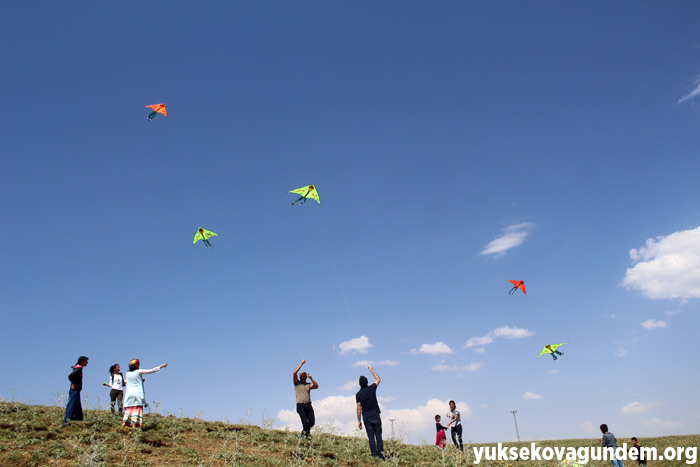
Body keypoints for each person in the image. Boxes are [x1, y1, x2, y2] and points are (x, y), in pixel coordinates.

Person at [122, 359, 168, 429]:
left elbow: (129, 381)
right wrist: (161, 366)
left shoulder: (127, 373)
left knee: (129, 408)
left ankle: (124, 422)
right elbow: (151, 370)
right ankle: (134, 424)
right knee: (137, 408)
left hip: (129, 393)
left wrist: (140, 380)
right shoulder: (139, 371)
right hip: (137, 393)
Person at [356, 366, 384, 459]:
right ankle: (381, 455)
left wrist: (359, 421)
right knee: (378, 436)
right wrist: (372, 370)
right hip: (375, 414)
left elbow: (359, 408)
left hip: (366, 417)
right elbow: (378, 379)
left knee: (371, 437)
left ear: (359, 384)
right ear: (367, 382)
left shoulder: (358, 394)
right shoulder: (372, 388)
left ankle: (374, 455)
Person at [293, 359, 318, 438]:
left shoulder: (308, 384)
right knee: (304, 422)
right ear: (300, 377)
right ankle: (306, 436)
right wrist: (301, 364)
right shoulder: (297, 383)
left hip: (308, 405)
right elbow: (294, 373)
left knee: (311, 422)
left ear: (306, 377)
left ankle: (304, 435)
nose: (303, 377)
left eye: (304, 376)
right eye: (302, 376)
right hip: (300, 406)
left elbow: (316, 386)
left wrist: (311, 378)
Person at [64, 356, 89, 425]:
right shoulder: (78, 369)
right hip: (74, 390)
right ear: (82, 362)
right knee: (71, 404)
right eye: (86, 361)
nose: (87, 363)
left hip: (76, 390)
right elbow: (71, 376)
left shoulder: (78, 368)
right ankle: (67, 421)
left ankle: (78, 420)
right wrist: (74, 383)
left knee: (77, 405)